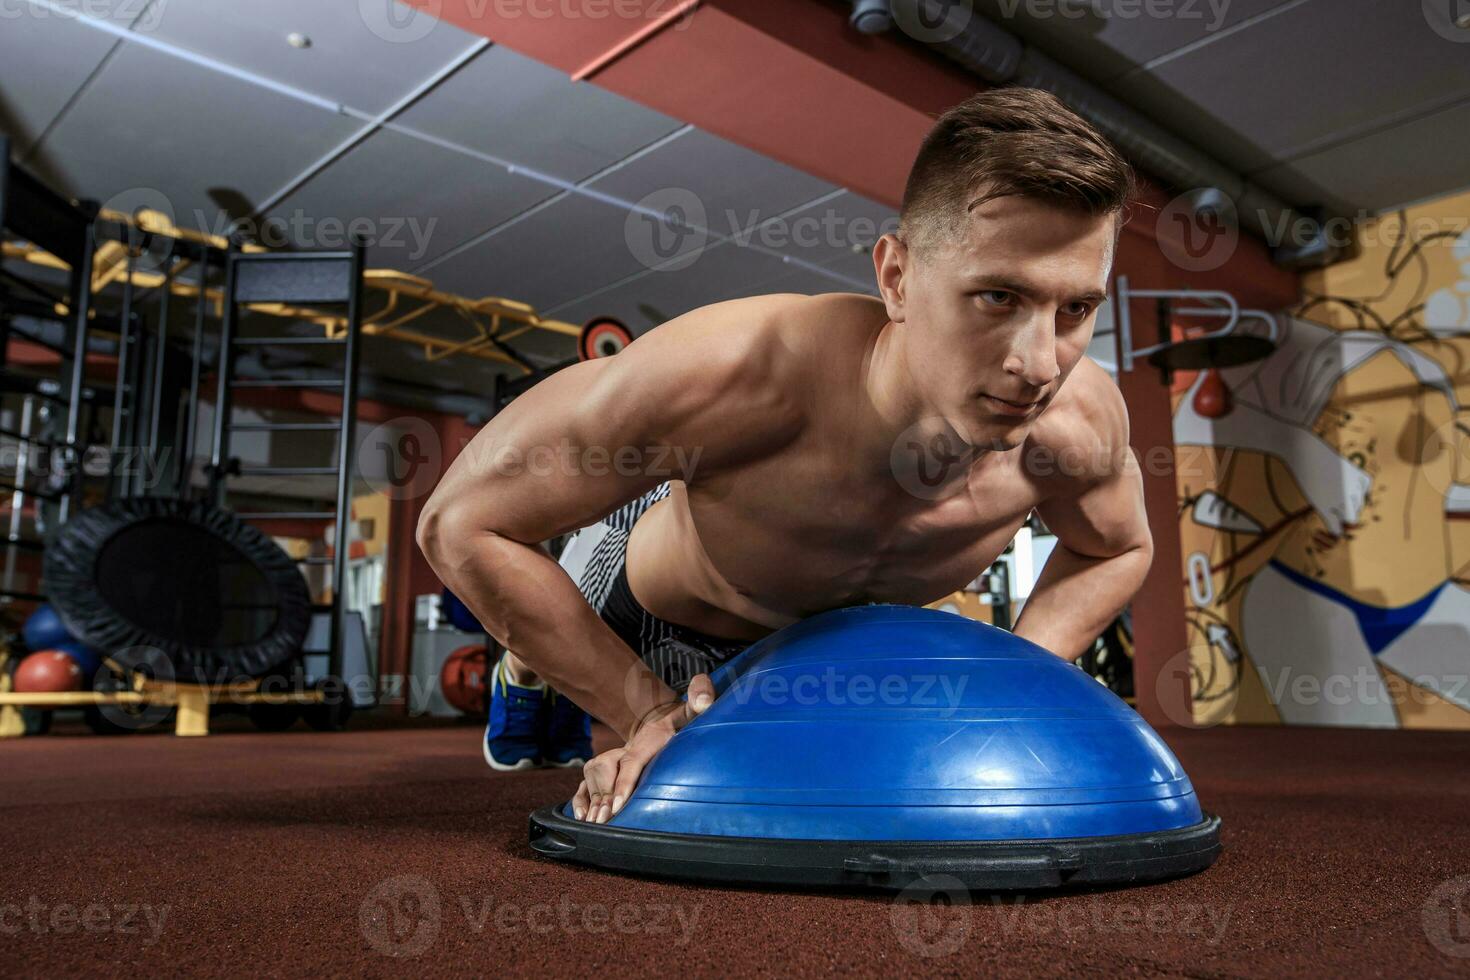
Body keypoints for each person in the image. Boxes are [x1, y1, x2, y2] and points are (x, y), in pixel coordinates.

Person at [418, 87, 1153, 824]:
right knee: (558, 613)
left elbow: (1114, 549)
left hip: (830, 658)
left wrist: (1020, 672)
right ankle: (524, 673)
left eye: (1076, 309)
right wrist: (642, 710)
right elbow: (461, 524)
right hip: (652, 607)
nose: (1039, 365)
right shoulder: (736, 374)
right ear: (897, 278)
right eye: (997, 297)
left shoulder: (1075, 427)